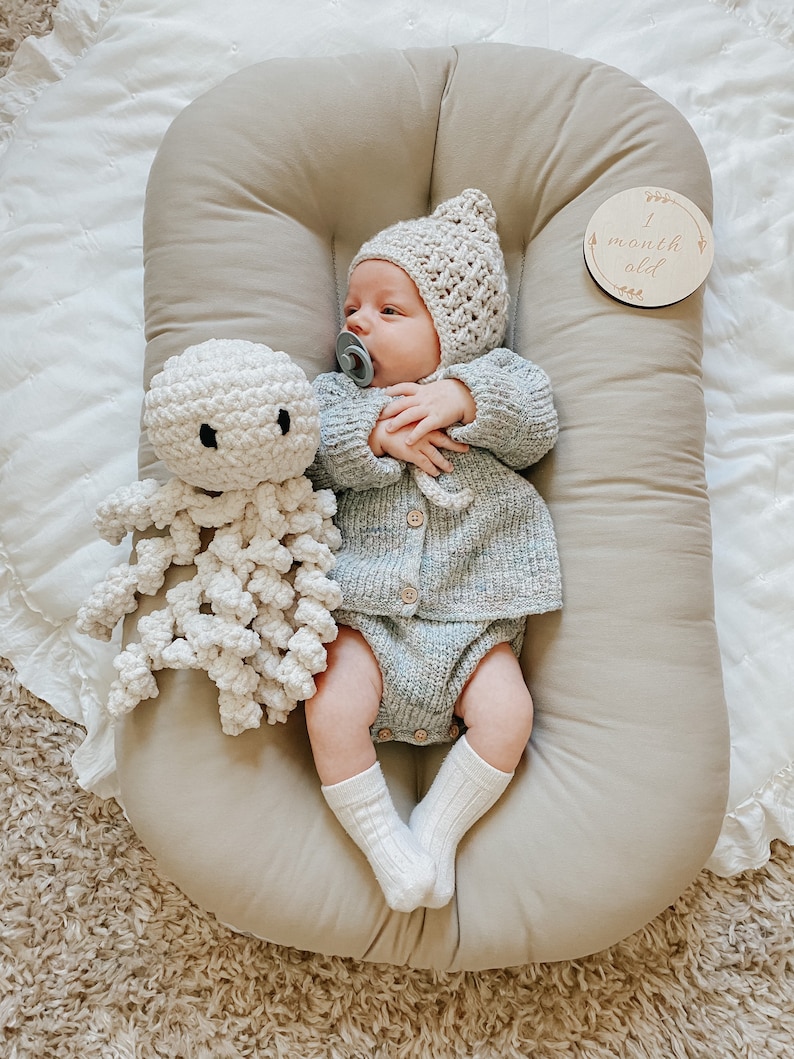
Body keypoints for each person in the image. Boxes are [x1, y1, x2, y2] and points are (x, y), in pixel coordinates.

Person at [305, 189, 562, 913]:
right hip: (368, 616)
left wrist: (461, 398)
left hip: (472, 617)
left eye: (390, 310)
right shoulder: (339, 398)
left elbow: (536, 420)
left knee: (509, 713)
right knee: (329, 710)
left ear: (456, 334)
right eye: (353, 306)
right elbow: (311, 452)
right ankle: (384, 842)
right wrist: (372, 436)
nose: (358, 320)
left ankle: (436, 832)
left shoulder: (495, 379)